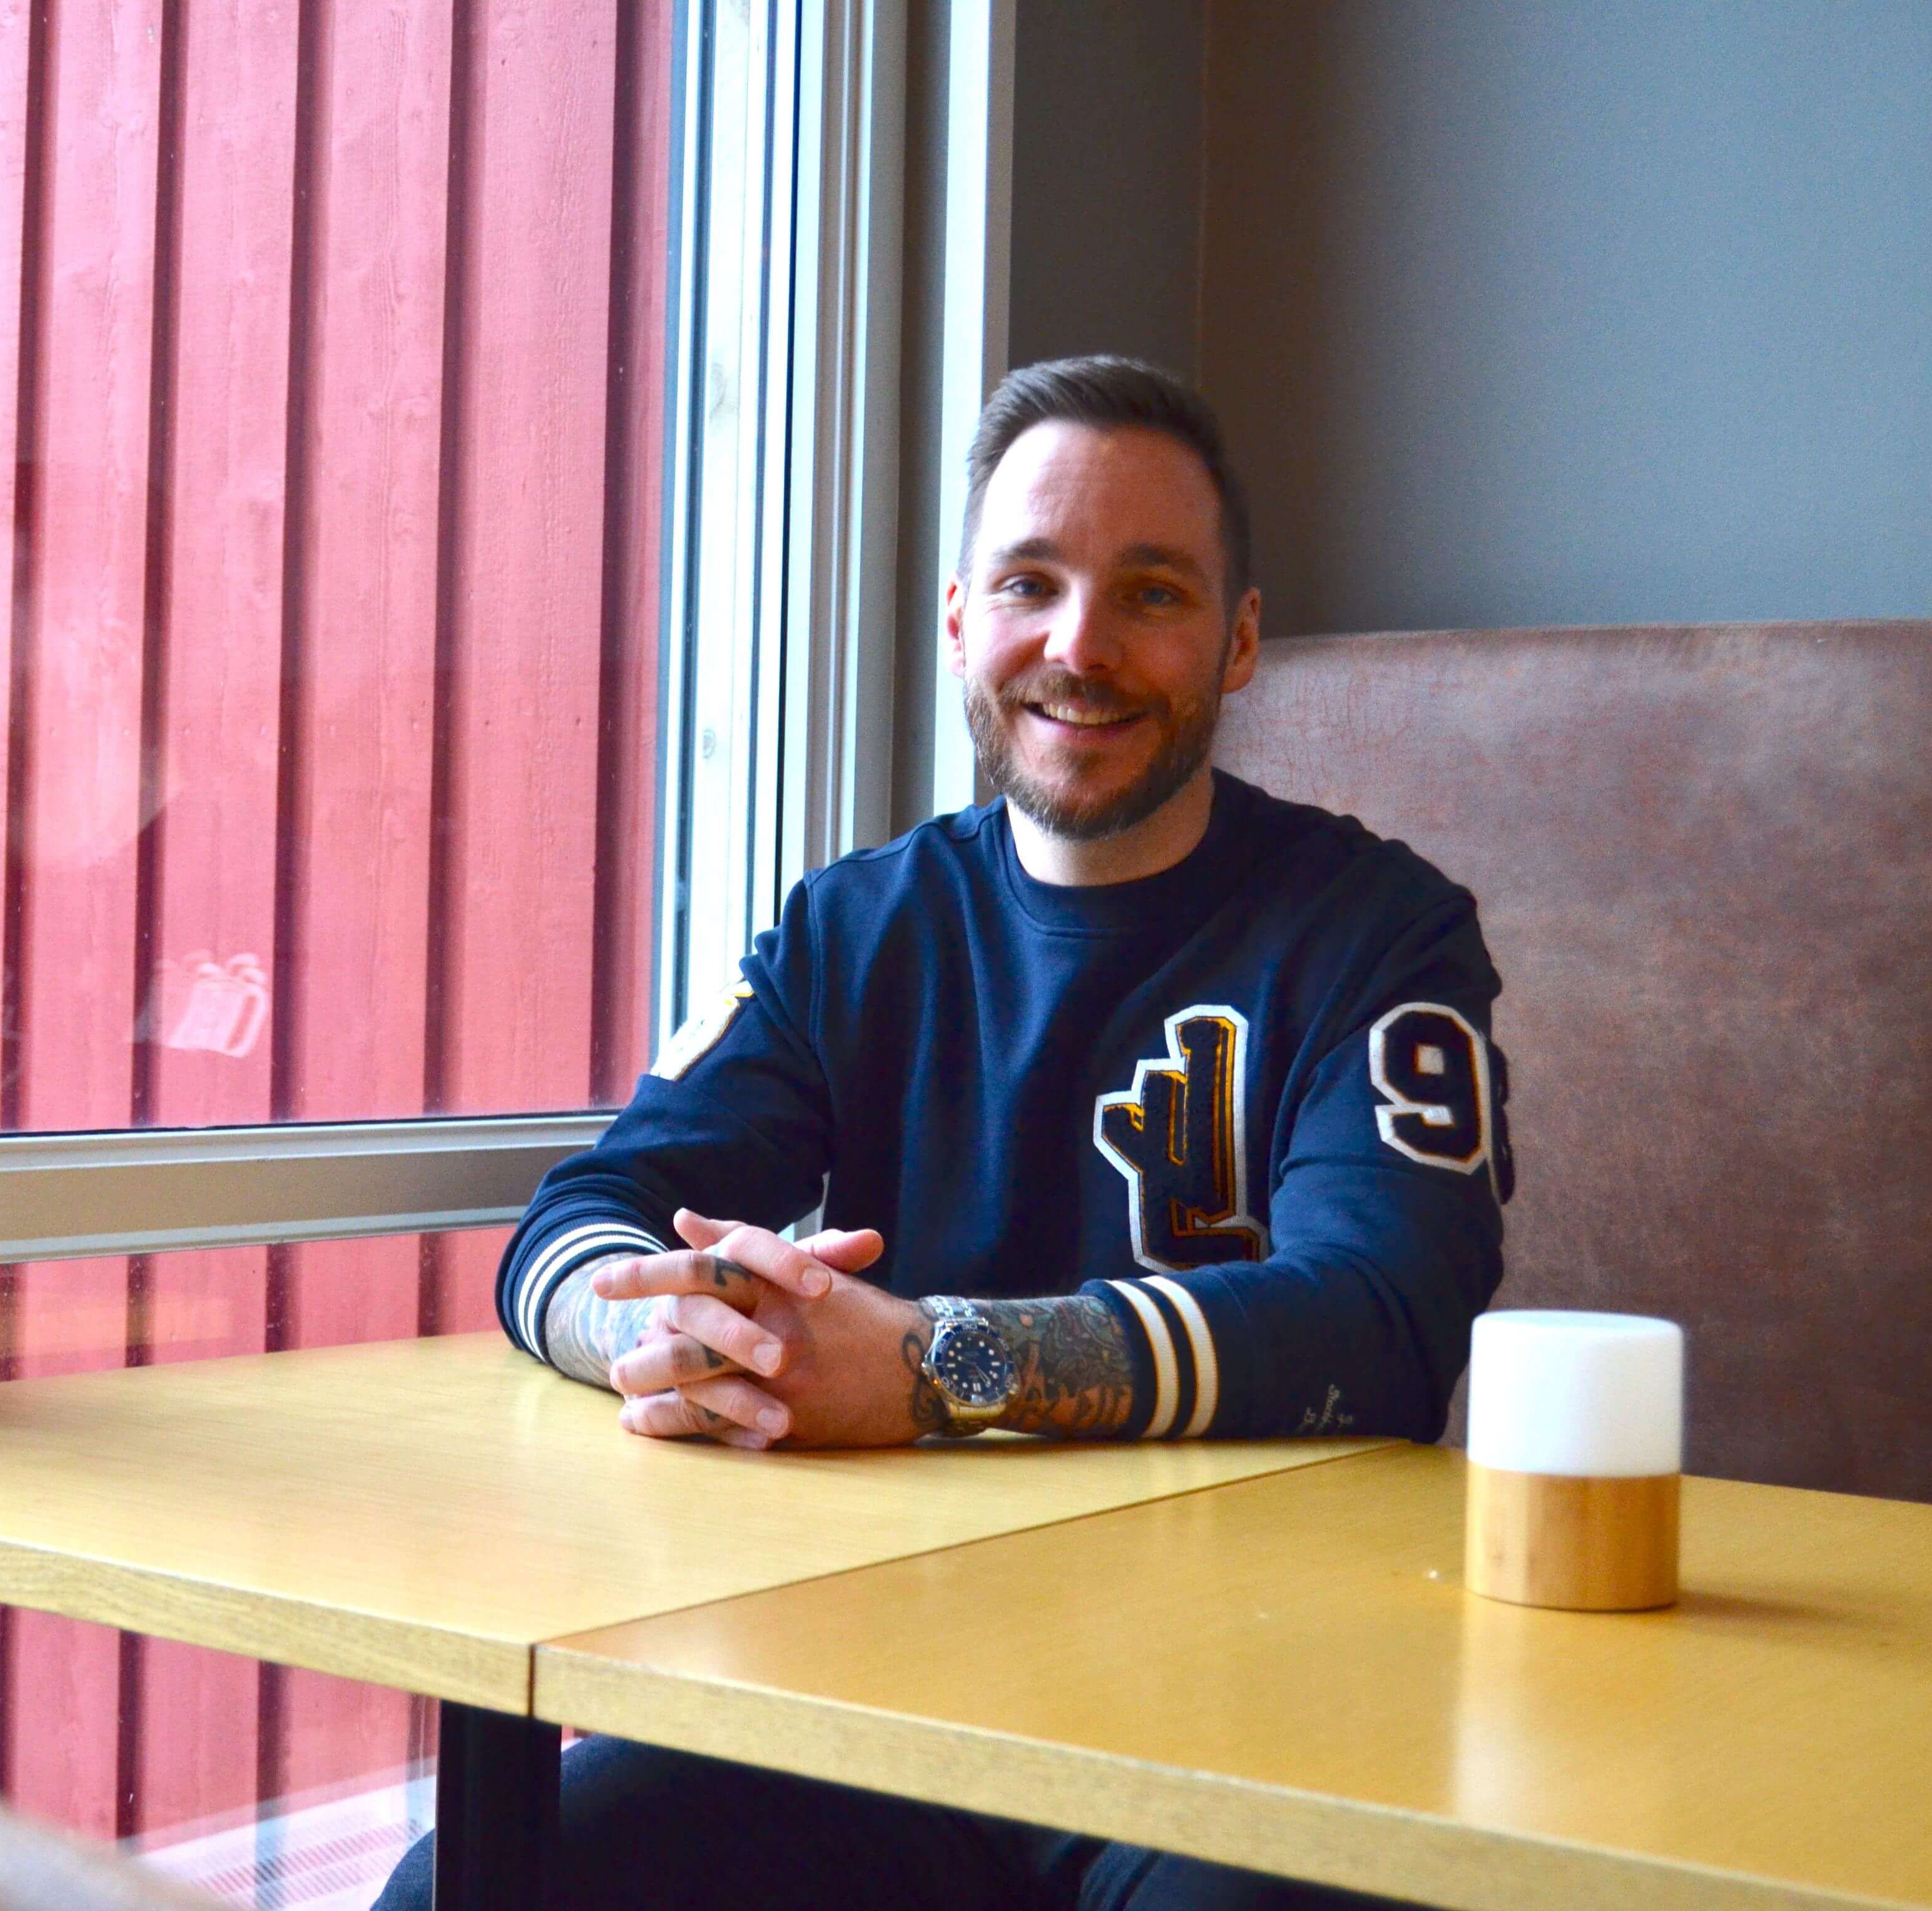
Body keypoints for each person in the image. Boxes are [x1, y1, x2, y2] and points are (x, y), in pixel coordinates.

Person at [373, 356, 1508, 1911]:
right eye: (1031, 583)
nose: (1081, 646)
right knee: (474, 1884)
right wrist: (682, 1339)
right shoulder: (852, 927)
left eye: (1152, 593)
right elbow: (585, 1215)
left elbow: (1384, 1318)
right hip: (877, 1700)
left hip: (1263, 1714)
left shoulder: (1383, 930)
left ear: (1239, 641)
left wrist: (929, 1368)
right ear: (962, 620)